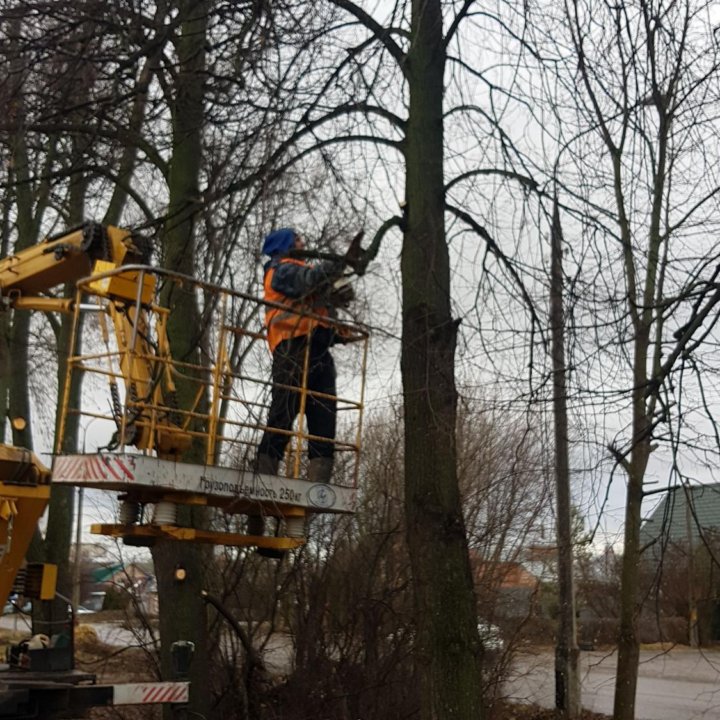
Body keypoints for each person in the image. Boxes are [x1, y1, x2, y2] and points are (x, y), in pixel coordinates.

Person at [254, 227, 344, 486]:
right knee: (283, 412)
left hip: (318, 350)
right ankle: (265, 477)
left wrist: (337, 332)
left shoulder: (302, 274)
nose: (303, 243)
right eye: (298, 239)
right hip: (292, 349)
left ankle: (319, 482)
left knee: (324, 416)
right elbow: (308, 279)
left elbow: (320, 311)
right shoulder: (280, 270)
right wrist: (335, 265)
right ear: (285, 244)